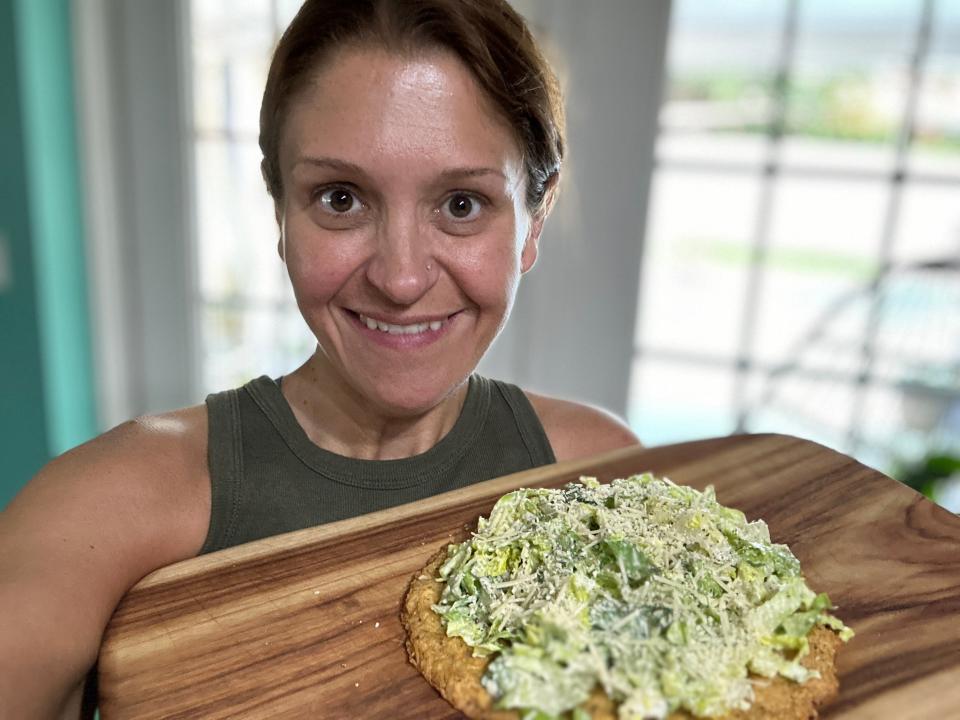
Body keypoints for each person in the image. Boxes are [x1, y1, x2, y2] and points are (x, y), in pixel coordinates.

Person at [0, 0, 640, 716]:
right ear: (281, 214)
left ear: (534, 222)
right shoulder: (105, 509)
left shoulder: (603, 478)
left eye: (461, 204)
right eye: (342, 198)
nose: (400, 279)